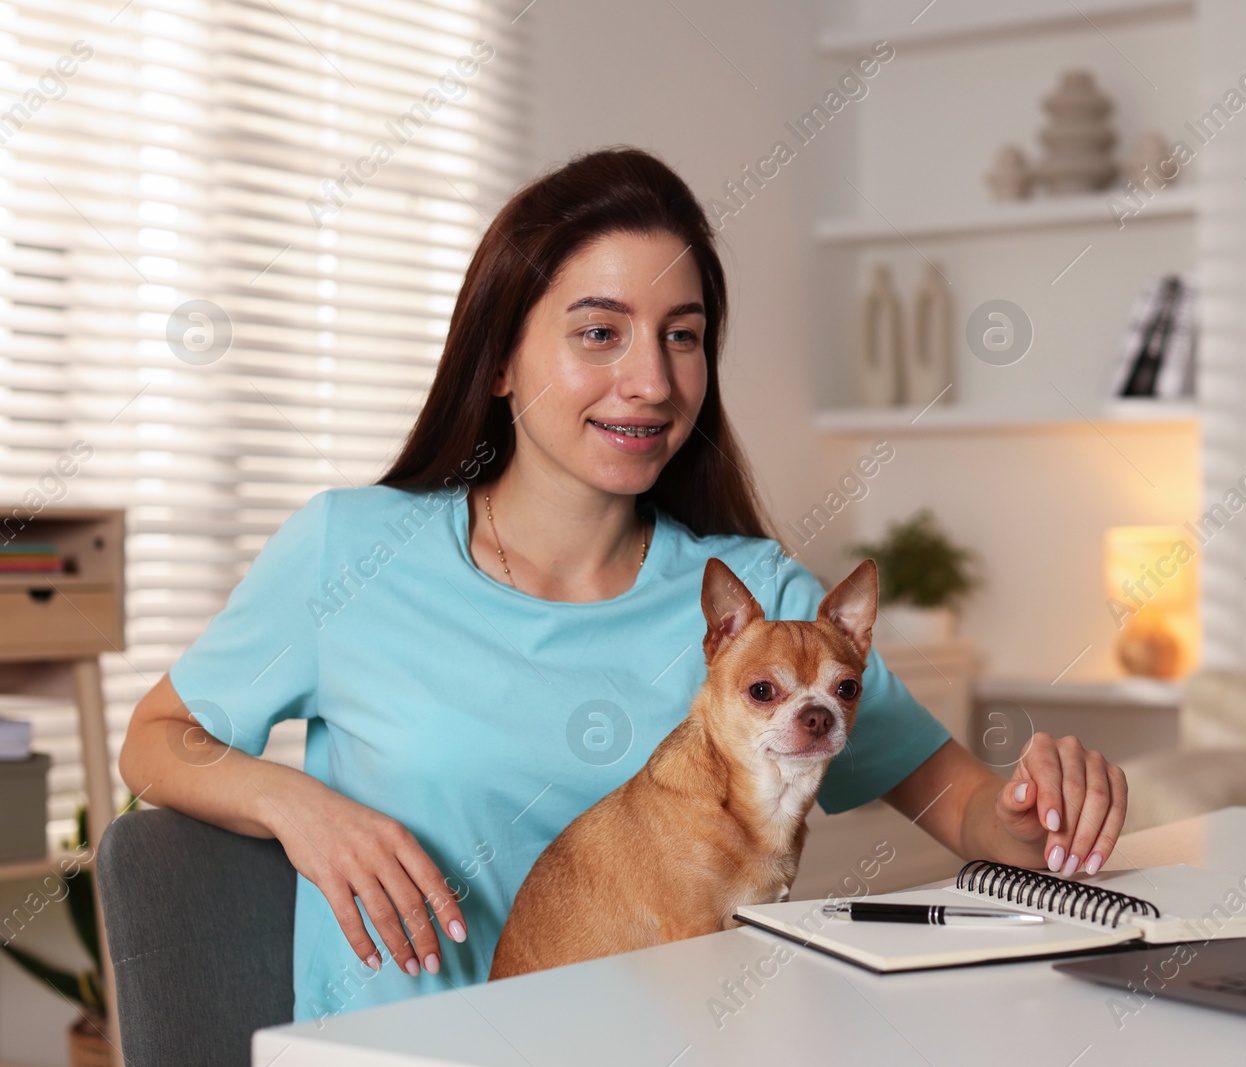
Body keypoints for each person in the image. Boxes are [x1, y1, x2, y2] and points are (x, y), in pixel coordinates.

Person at [118, 147, 1129, 1023]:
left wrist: (1046, 810)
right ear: (503, 357)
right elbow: (155, 741)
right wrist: (300, 805)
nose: (651, 380)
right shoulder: (350, 549)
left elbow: (963, 805)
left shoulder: (762, 608)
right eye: (598, 331)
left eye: (680, 334)